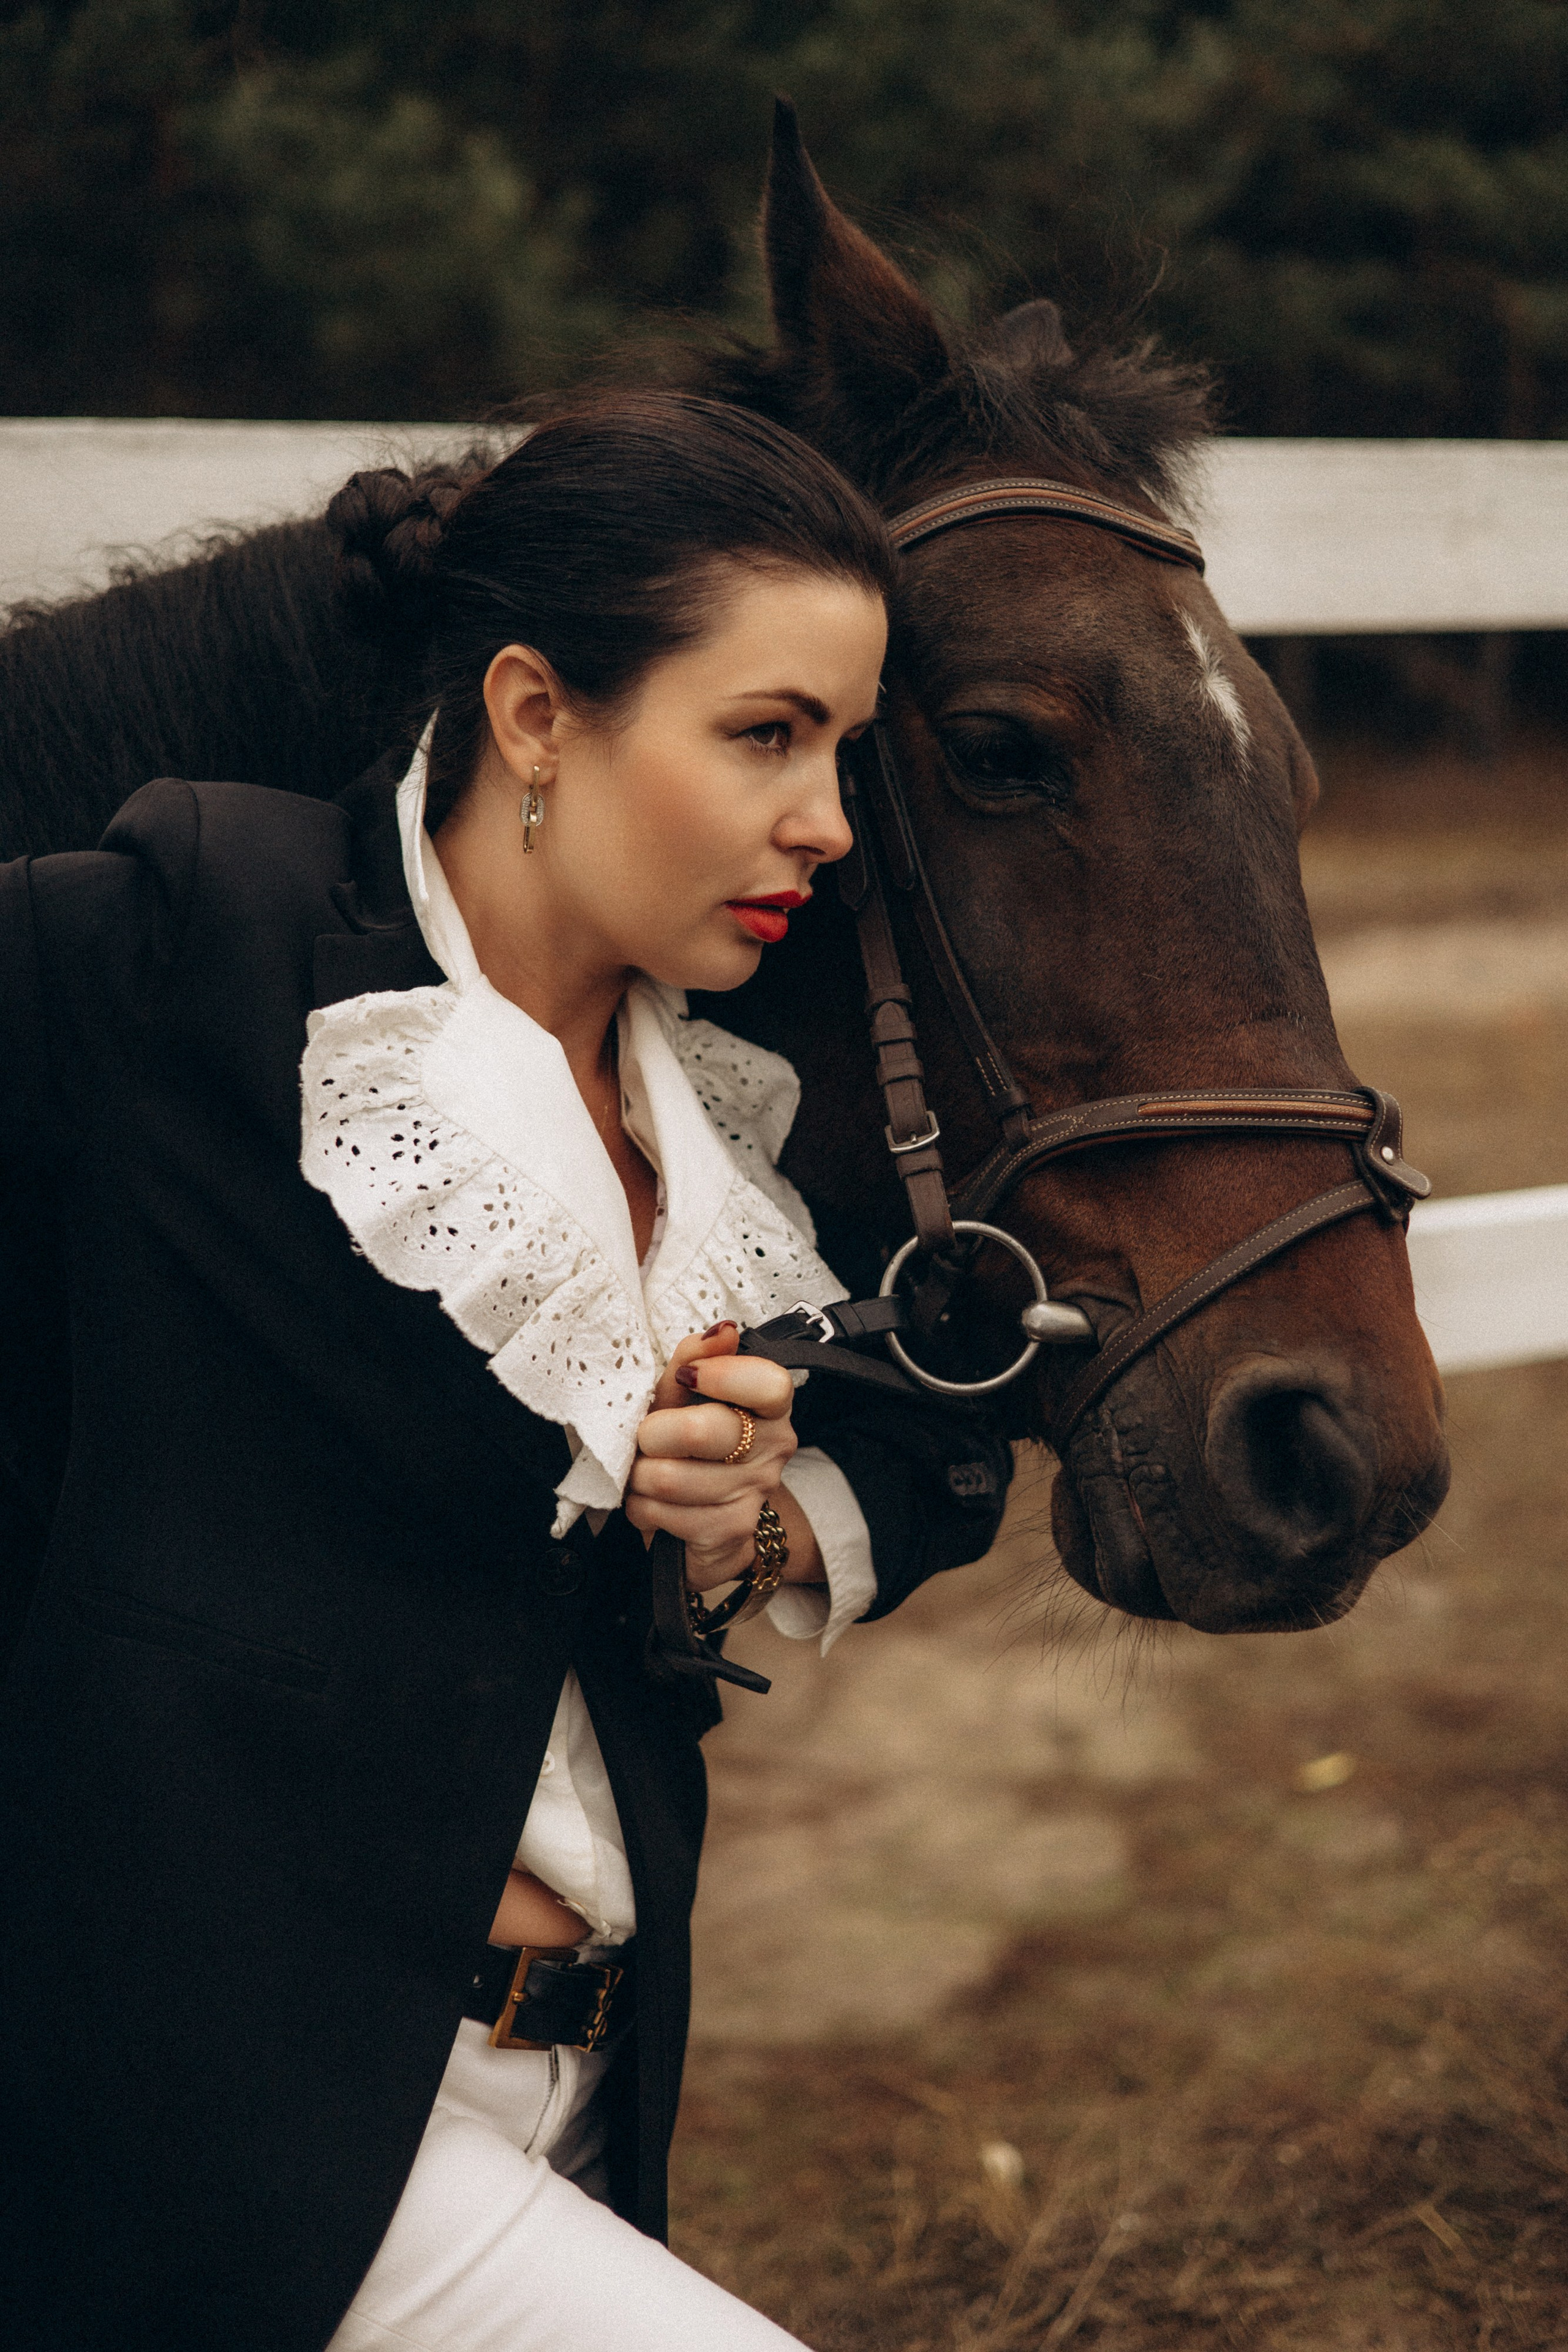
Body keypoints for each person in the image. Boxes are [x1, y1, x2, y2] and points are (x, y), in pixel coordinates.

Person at [0, 392, 1011, 2350]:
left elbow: (970, 1379)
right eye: (765, 734)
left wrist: (758, 1519)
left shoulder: (728, 1120)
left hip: (586, 2090)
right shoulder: (209, 940)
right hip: (232, 2091)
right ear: (539, 714)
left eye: (845, 751)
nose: (828, 820)